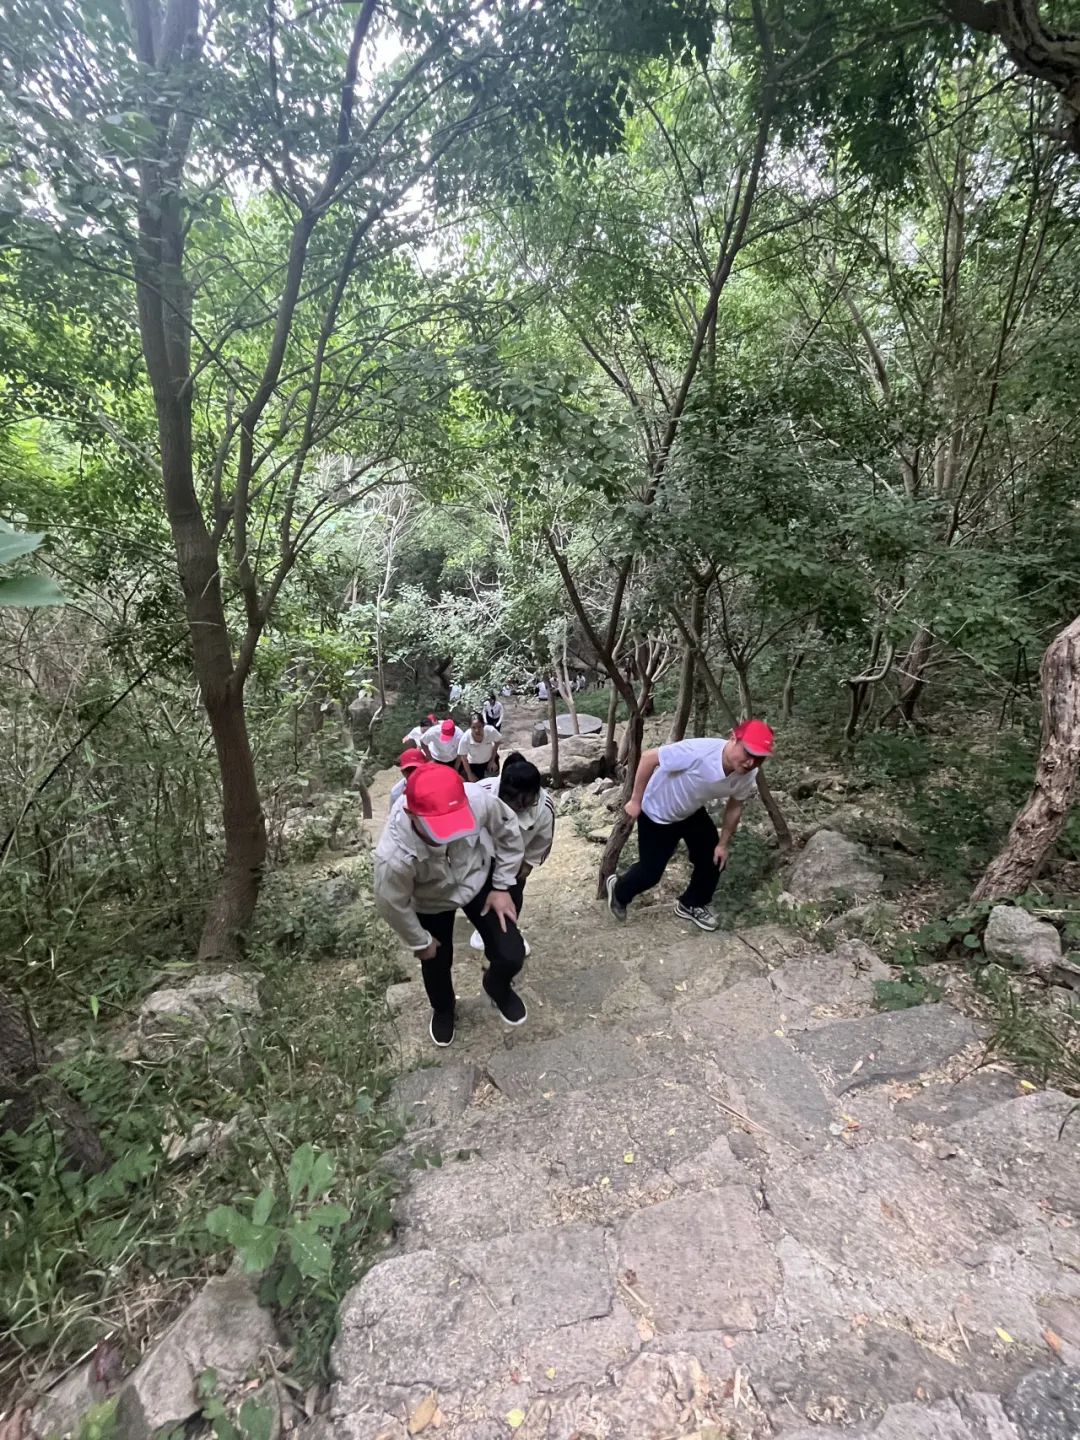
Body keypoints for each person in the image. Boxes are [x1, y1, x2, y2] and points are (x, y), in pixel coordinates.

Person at [374, 764, 528, 1046]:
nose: (451, 834)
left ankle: (497, 985)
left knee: (511, 952)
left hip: (477, 876)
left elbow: (507, 829)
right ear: (411, 814)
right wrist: (419, 941)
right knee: (435, 961)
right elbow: (391, 903)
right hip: (430, 900)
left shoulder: (477, 799)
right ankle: (444, 1008)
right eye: (439, 827)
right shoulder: (393, 857)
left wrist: (501, 885)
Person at [605, 719, 775, 933]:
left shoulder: (748, 773)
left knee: (713, 856)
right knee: (650, 873)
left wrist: (723, 843)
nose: (752, 762)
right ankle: (619, 890)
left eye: (759, 758)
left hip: (691, 810)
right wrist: (635, 800)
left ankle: (692, 903)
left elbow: (735, 804)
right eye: (748, 753)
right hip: (659, 813)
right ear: (733, 738)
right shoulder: (698, 751)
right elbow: (649, 758)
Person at [469, 752, 554, 957]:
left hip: (517, 860)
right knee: (481, 895)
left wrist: (527, 865)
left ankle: (509, 933)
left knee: (512, 898)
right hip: (483, 853)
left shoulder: (545, 809)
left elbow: (542, 842)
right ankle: (484, 933)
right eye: (514, 803)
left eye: (526, 803)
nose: (519, 808)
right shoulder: (482, 792)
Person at [458, 710, 502, 781]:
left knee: (493, 782)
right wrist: (469, 774)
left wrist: (492, 760)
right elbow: (463, 757)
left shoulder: (490, 731)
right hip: (474, 764)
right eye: (473, 727)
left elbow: (498, 741)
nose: (477, 730)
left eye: (479, 727)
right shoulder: (465, 739)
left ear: (483, 725)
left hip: (490, 760)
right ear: (470, 727)